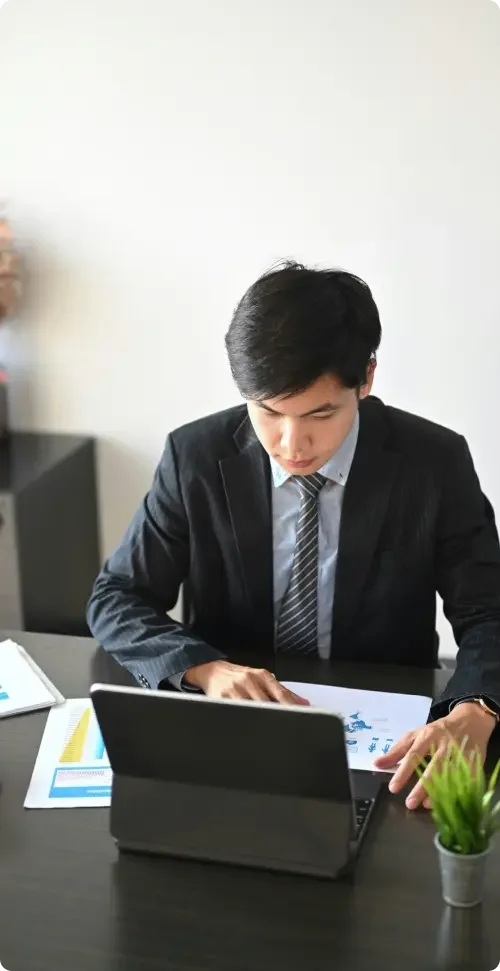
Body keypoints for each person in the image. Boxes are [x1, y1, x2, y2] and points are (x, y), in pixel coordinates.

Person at [87, 261, 500, 810]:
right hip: (238, 736)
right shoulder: (196, 458)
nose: (291, 443)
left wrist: (476, 706)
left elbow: (488, 611)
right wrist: (204, 669)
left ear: (367, 378)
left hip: (386, 749)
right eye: (268, 412)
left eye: (321, 413)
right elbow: (117, 597)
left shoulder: (434, 462)